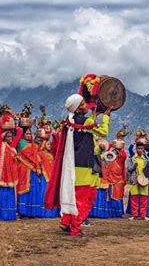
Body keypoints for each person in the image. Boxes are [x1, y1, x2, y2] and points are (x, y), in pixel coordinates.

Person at [45, 94, 111, 236]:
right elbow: (103, 132)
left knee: (74, 196)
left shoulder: (71, 121)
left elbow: (85, 137)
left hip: (73, 164)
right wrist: (106, 116)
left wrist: (94, 114)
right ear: (78, 108)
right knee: (85, 196)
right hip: (84, 166)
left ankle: (66, 222)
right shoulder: (84, 121)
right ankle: (75, 227)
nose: (86, 105)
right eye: (82, 104)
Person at [0, 119, 22, 221]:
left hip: (10, 175)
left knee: (10, 195)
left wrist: (15, 121)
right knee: (2, 195)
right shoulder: (1, 145)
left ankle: (10, 215)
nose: (10, 138)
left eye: (11, 136)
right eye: (8, 136)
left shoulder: (12, 146)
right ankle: (1, 215)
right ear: (4, 136)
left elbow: (19, 134)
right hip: (0, 173)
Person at [17, 127, 43, 218]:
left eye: (30, 134)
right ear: (23, 135)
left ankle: (33, 212)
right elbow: (29, 155)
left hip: (33, 169)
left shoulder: (33, 145)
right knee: (25, 189)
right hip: (24, 168)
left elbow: (37, 156)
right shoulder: (21, 143)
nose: (29, 136)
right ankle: (23, 212)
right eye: (27, 134)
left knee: (34, 189)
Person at [126, 142, 149, 220]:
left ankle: (143, 215)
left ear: (143, 149)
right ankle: (134, 215)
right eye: (138, 148)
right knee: (134, 198)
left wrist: (145, 170)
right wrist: (134, 166)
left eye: (141, 148)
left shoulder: (146, 159)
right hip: (134, 180)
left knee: (144, 198)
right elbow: (128, 169)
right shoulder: (131, 158)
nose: (140, 150)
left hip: (144, 180)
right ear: (136, 149)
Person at [105, 140, 126, 218]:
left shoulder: (121, 158)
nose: (117, 152)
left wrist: (120, 148)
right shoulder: (110, 158)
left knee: (117, 196)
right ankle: (110, 213)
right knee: (109, 196)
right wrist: (113, 145)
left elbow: (124, 155)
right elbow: (106, 150)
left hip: (118, 180)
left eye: (119, 150)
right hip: (109, 180)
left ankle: (118, 213)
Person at [38, 139, 59, 218]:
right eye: (47, 144)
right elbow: (38, 164)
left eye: (50, 144)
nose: (49, 146)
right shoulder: (40, 154)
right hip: (44, 176)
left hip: (51, 177)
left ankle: (52, 213)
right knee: (44, 193)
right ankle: (44, 212)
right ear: (43, 145)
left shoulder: (51, 155)